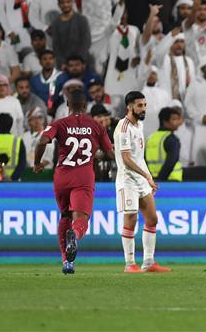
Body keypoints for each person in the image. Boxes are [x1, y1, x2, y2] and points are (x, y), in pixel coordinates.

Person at [33, 89, 113, 274]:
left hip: (62, 177)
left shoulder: (59, 123)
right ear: (85, 106)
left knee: (65, 216)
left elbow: (42, 141)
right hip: (84, 176)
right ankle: (74, 235)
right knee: (80, 219)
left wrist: (37, 163)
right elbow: (110, 152)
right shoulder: (96, 126)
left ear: (67, 105)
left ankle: (67, 262)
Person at [114, 91, 169, 274]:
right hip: (127, 180)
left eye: (145, 105)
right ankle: (130, 264)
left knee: (152, 218)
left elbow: (139, 157)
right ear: (129, 107)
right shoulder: (123, 128)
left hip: (141, 180)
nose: (144, 108)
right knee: (131, 219)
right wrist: (146, 175)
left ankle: (148, 262)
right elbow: (126, 158)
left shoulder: (139, 125)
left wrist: (148, 178)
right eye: (140, 105)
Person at [146, 106, 184, 182]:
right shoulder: (172, 139)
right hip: (172, 180)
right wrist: (160, 180)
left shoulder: (150, 138)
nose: (177, 122)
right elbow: (171, 162)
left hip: (152, 181)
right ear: (165, 121)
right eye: (174, 119)